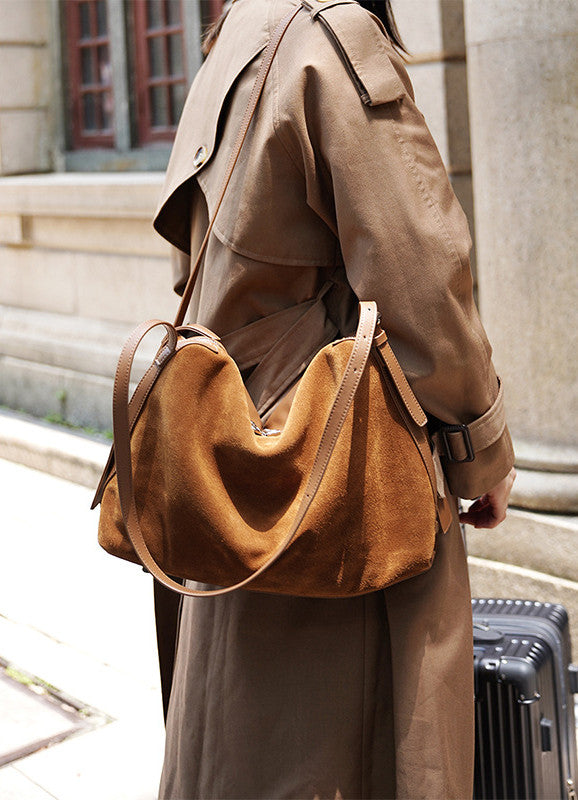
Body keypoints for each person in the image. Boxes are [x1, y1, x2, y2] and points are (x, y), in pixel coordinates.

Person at [152, 0, 516, 796]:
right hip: (337, 481)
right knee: (354, 746)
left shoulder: (235, 34)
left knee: (242, 736)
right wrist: (479, 448)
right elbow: (421, 276)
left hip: (240, 460)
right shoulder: (331, 39)